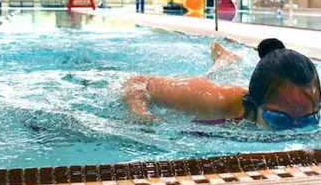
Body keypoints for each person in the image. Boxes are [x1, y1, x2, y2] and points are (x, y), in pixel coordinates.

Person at [123, 38, 321, 130]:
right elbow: (138, 82)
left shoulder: (306, 102)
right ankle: (225, 59)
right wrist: (141, 115)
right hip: (224, 93)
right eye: (279, 120)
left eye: (308, 121)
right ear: (253, 106)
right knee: (221, 73)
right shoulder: (213, 100)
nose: (293, 131)